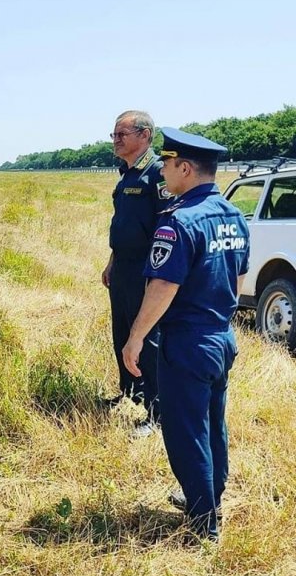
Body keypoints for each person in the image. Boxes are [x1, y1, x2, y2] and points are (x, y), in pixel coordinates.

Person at [122, 128, 249, 541]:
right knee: (213, 423)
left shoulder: (177, 222)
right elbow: (239, 276)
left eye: (167, 163)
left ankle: (203, 525)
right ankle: (211, 498)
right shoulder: (233, 216)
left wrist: (136, 337)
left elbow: (163, 287)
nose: (161, 170)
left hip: (187, 342)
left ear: (186, 168)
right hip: (220, 336)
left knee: (186, 432)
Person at [103, 110, 169, 435]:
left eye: (121, 135)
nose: (115, 141)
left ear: (144, 136)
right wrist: (112, 262)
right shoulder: (126, 175)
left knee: (146, 340)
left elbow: (167, 228)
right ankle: (132, 392)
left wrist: (158, 273)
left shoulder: (157, 173)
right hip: (123, 269)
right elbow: (123, 226)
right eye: (114, 135)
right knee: (122, 333)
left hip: (146, 271)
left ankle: (157, 414)